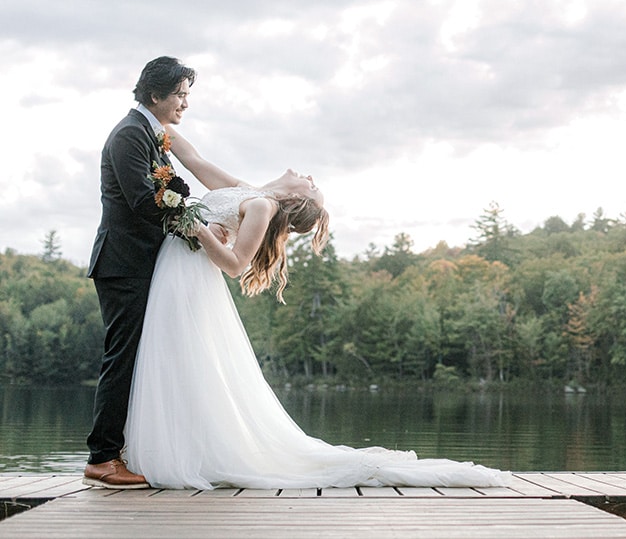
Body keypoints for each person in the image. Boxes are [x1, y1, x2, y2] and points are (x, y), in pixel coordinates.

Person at [121, 128, 511, 489]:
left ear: (297, 199)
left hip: (188, 280)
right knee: (173, 359)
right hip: (173, 270)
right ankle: (169, 446)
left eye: (312, 184)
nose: (307, 174)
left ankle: (180, 454)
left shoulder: (262, 207)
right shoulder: (247, 190)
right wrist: (155, 123)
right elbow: (193, 159)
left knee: (178, 358)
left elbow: (236, 265)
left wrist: (194, 226)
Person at [84, 56, 198, 489]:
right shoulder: (130, 134)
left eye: (187, 95)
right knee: (122, 356)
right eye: (180, 95)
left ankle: (123, 448)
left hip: (140, 263)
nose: (185, 104)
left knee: (140, 357)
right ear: (156, 95)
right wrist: (197, 227)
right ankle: (102, 458)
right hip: (122, 264)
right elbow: (144, 202)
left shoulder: (151, 136)